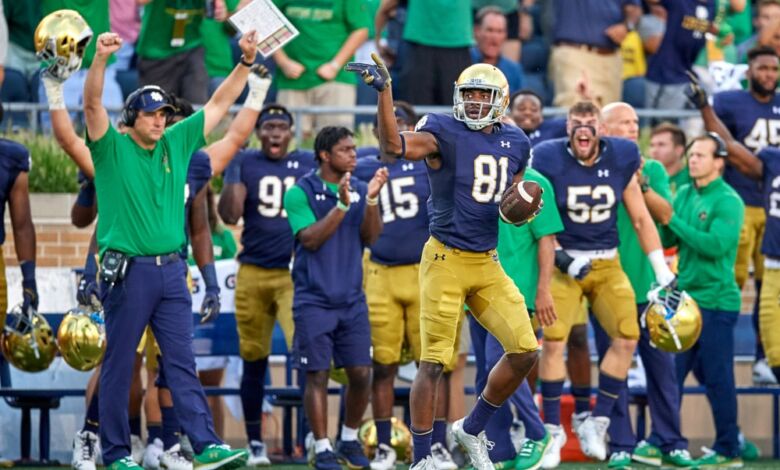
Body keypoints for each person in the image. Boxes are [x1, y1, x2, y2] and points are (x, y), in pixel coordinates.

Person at [350, 55, 541, 470]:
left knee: (526, 351)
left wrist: (519, 207)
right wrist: (385, 92)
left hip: (487, 261)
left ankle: (471, 428)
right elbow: (392, 146)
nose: (473, 102)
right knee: (433, 361)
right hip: (444, 258)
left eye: (482, 94)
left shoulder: (517, 142)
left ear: (500, 100)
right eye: (468, 93)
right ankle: (422, 459)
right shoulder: (442, 129)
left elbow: (506, 192)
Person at [83, 29, 259, 469]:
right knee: (119, 366)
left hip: (172, 271)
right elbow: (89, 107)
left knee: (182, 362)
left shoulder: (177, 142)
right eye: (151, 114)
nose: (160, 120)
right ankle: (118, 454)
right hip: (129, 274)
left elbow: (219, 105)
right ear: (131, 119)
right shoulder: (111, 148)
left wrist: (245, 63)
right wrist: (101, 60)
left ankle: (204, 445)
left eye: (164, 113)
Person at [531, 101, 676, 462]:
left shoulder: (621, 155)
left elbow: (642, 219)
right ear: (567, 127)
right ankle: (552, 430)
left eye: (590, 122)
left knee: (628, 336)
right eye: (576, 122)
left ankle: (597, 421)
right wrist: (564, 259)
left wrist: (662, 272)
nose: (583, 129)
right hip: (565, 264)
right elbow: (537, 219)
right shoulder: (547, 157)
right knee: (552, 343)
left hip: (608, 262)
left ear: (599, 129)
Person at [282, 127, 387, 470]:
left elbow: (371, 237)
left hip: (352, 300)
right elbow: (310, 239)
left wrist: (370, 199)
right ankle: (322, 447)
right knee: (317, 375)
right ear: (325, 155)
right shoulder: (300, 192)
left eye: (355, 149)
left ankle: (347, 438)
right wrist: (342, 205)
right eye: (345, 150)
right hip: (313, 300)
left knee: (361, 373)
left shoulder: (359, 188)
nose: (354, 156)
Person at [218, 103, 317, 466]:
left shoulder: (307, 163)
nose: (275, 132)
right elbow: (229, 215)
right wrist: (234, 171)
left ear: (292, 132)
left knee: (306, 355)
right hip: (253, 272)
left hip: (293, 273)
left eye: (281, 126)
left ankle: (313, 434)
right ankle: (255, 441)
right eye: (268, 126)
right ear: (258, 132)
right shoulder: (246, 161)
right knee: (254, 359)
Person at [599, 102, 695, 469]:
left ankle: (672, 440)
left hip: (652, 286)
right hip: (608, 286)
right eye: (623, 122)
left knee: (663, 371)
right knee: (616, 369)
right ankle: (621, 442)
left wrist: (642, 185)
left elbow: (665, 218)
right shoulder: (596, 169)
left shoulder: (651, 168)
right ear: (605, 128)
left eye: (635, 122)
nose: (631, 127)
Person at [353, 103, 449, 470]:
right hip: (379, 272)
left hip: (426, 271)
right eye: (387, 124)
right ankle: (383, 444)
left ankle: (435, 444)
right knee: (383, 365)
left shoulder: (431, 164)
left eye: (401, 123)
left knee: (433, 364)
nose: (394, 129)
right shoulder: (362, 165)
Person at [467, 132, 560, 469]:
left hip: (514, 289)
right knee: (483, 376)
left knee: (500, 365)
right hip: (475, 287)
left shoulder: (534, 182)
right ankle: (499, 450)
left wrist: (544, 290)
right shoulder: (477, 174)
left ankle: (538, 433)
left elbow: (548, 240)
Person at [656, 133, 745, 468]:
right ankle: (663, 440)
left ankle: (728, 449)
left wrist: (671, 219)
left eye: (701, 155)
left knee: (719, 378)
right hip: (684, 301)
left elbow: (714, 247)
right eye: (691, 154)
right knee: (670, 376)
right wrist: (656, 210)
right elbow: (668, 237)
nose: (693, 160)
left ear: (719, 162)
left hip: (716, 302)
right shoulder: (685, 194)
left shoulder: (728, 201)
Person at [273, 0, 370, 138]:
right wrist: (283, 62)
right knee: (290, 142)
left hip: (336, 79)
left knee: (336, 141)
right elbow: (263, 22)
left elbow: (361, 30)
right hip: (292, 79)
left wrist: (335, 65)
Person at [548, 0, 641, 107]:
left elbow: (633, 8)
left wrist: (627, 27)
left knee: (609, 117)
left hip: (611, 58)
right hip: (575, 53)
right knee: (577, 112)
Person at [644, 0, 717, 112]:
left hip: (685, 73)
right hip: (662, 71)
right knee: (650, 125)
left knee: (669, 125)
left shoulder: (713, 5)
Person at [470, 7, 524, 94]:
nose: (494, 37)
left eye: (500, 31)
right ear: (477, 31)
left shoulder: (514, 69)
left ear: (505, 35)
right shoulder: (462, 63)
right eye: (490, 30)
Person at [648, 122, 690, 196]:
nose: (654, 150)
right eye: (652, 145)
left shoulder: (692, 178)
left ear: (679, 150)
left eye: (661, 145)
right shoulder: (645, 177)